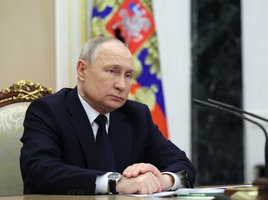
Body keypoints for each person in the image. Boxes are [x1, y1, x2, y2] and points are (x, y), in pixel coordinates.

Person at [20, 36, 196, 195]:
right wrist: (115, 183)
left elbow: (182, 164)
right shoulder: (48, 111)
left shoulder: (137, 115)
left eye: (128, 75)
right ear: (82, 70)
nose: (121, 85)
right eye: (112, 71)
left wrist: (160, 180)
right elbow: (38, 172)